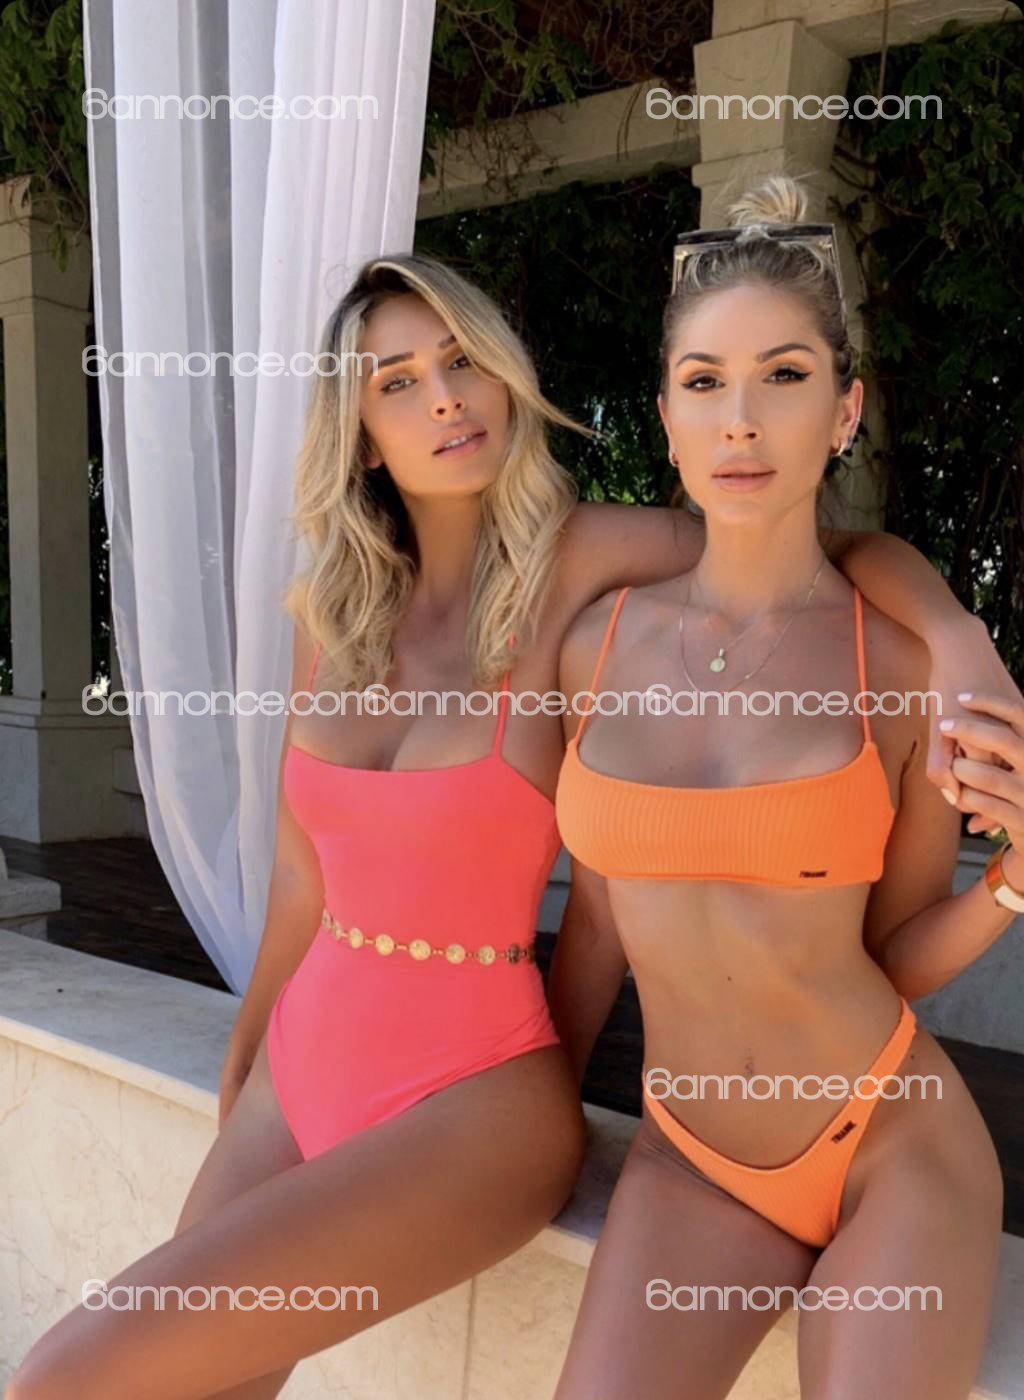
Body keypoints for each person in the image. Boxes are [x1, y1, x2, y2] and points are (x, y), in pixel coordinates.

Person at [8, 249, 1019, 1400]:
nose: (443, 397)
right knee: (198, 1383)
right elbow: (302, 872)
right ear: (357, 434)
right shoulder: (335, 613)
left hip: (485, 1077)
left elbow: (798, 537)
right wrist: (249, 1050)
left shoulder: (582, 566)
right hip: (318, 1056)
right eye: (397, 382)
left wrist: (956, 635)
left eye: (461, 361)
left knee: (62, 1377)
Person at [550, 176, 1020, 1400]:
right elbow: (596, 919)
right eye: (705, 381)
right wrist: (542, 1111)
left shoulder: (900, 663)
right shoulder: (591, 641)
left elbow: (892, 953)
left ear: (843, 410)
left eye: (785, 375)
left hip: (886, 1141)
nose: (742, 419)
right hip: (690, 1154)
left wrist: (1015, 882)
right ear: (665, 415)